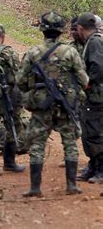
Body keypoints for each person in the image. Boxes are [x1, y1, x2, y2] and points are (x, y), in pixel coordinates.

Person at [17, 11, 88, 197]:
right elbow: (84, 79)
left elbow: (20, 80)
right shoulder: (70, 52)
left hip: (41, 106)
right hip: (66, 104)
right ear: (61, 30)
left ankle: (35, 188)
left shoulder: (33, 52)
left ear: (42, 30)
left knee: (37, 145)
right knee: (70, 143)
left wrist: (33, 89)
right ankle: (71, 185)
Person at [0, 24, 26, 176]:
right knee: (13, 125)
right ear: (3, 35)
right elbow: (18, 75)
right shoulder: (9, 52)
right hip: (9, 94)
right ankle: (9, 162)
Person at [76, 12, 103, 184]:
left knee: (96, 132)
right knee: (88, 131)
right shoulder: (91, 42)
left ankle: (100, 169)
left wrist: (88, 82)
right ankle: (93, 165)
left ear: (80, 28)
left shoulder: (95, 42)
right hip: (93, 96)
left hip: (97, 96)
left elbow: (99, 67)